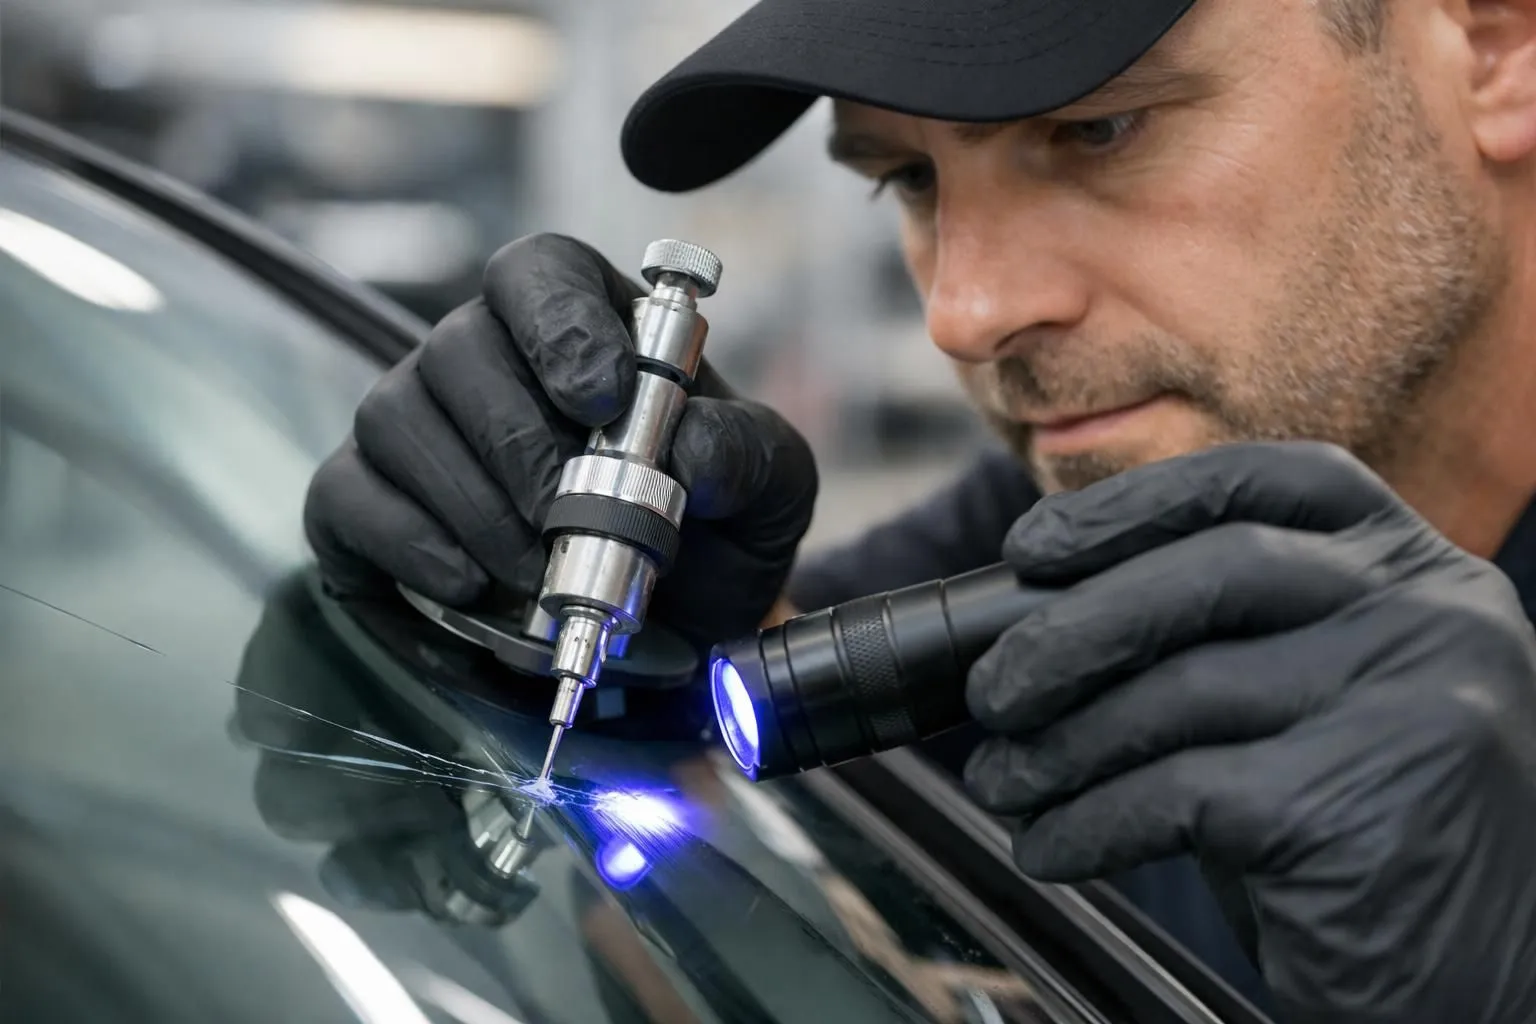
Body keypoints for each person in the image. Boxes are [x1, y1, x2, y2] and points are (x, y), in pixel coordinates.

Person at [303, 0, 1536, 1019]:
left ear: (1492, 42)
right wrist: (483, 665)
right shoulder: (1036, 583)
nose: (966, 310)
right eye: (907, 176)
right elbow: (675, 873)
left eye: (1100, 129)